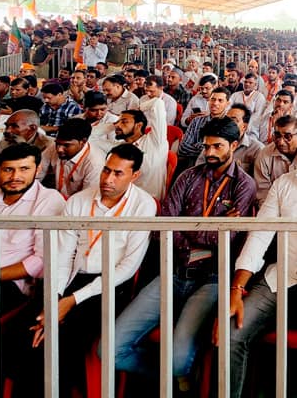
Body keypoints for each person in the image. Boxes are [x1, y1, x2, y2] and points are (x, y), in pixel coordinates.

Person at [113, 117, 256, 396]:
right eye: (206, 146)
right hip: (174, 271)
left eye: (218, 146)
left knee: (178, 358)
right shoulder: (188, 176)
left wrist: (190, 228)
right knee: (110, 349)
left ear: (234, 145)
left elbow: (228, 239)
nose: (210, 153)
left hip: (213, 278)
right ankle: (173, 377)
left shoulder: (244, 185)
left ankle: (179, 372)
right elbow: (166, 227)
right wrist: (211, 227)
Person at [6, 143, 156, 398]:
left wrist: (71, 302)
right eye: (106, 171)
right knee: (22, 334)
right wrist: (55, 299)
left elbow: (127, 268)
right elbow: (64, 256)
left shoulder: (143, 206)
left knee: (63, 341)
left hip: (110, 288)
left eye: (118, 173)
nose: (108, 179)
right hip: (71, 281)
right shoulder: (79, 201)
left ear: (135, 175)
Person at [218, 166, 297, 398]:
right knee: (231, 333)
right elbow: (259, 236)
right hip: (282, 278)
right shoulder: (284, 184)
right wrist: (237, 288)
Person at [196, 104, 263, 176]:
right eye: (226, 119)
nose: (228, 123)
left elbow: (256, 180)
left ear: (244, 127)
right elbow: (198, 169)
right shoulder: (214, 141)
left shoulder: (256, 149)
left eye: (234, 120)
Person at [0, 109, 53, 179]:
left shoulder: (49, 145)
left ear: (32, 128)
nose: (7, 131)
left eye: (14, 126)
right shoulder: (6, 141)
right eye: (6, 126)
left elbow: (34, 176)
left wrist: (23, 146)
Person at [178, 87, 231, 169]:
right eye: (213, 99)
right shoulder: (197, 121)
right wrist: (208, 149)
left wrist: (198, 145)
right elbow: (183, 148)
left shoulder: (229, 124)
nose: (215, 103)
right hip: (192, 166)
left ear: (227, 104)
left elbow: (224, 153)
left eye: (220, 100)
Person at [52, 118, 106, 198]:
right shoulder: (55, 147)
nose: (59, 149)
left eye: (66, 145)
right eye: (57, 144)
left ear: (83, 142)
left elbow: (86, 198)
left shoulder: (95, 163)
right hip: (56, 198)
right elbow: (37, 174)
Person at [253, 115, 297, 206]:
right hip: (273, 207)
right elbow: (262, 194)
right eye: (277, 136)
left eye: (287, 137)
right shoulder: (264, 155)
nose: (281, 142)